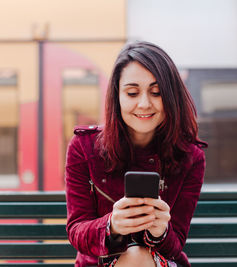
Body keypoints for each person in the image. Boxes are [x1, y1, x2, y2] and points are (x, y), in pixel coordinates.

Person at [65, 41, 207, 267]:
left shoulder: (190, 156)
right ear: (117, 96)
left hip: (160, 261)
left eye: (157, 92)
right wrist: (112, 225)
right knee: (134, 257)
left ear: (171, 97)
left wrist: (160, 231)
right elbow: (76, 230)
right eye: (132, 92)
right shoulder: (83, 147)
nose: (144, 104)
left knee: (138, 256)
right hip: (99, 262)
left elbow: (176, 244)